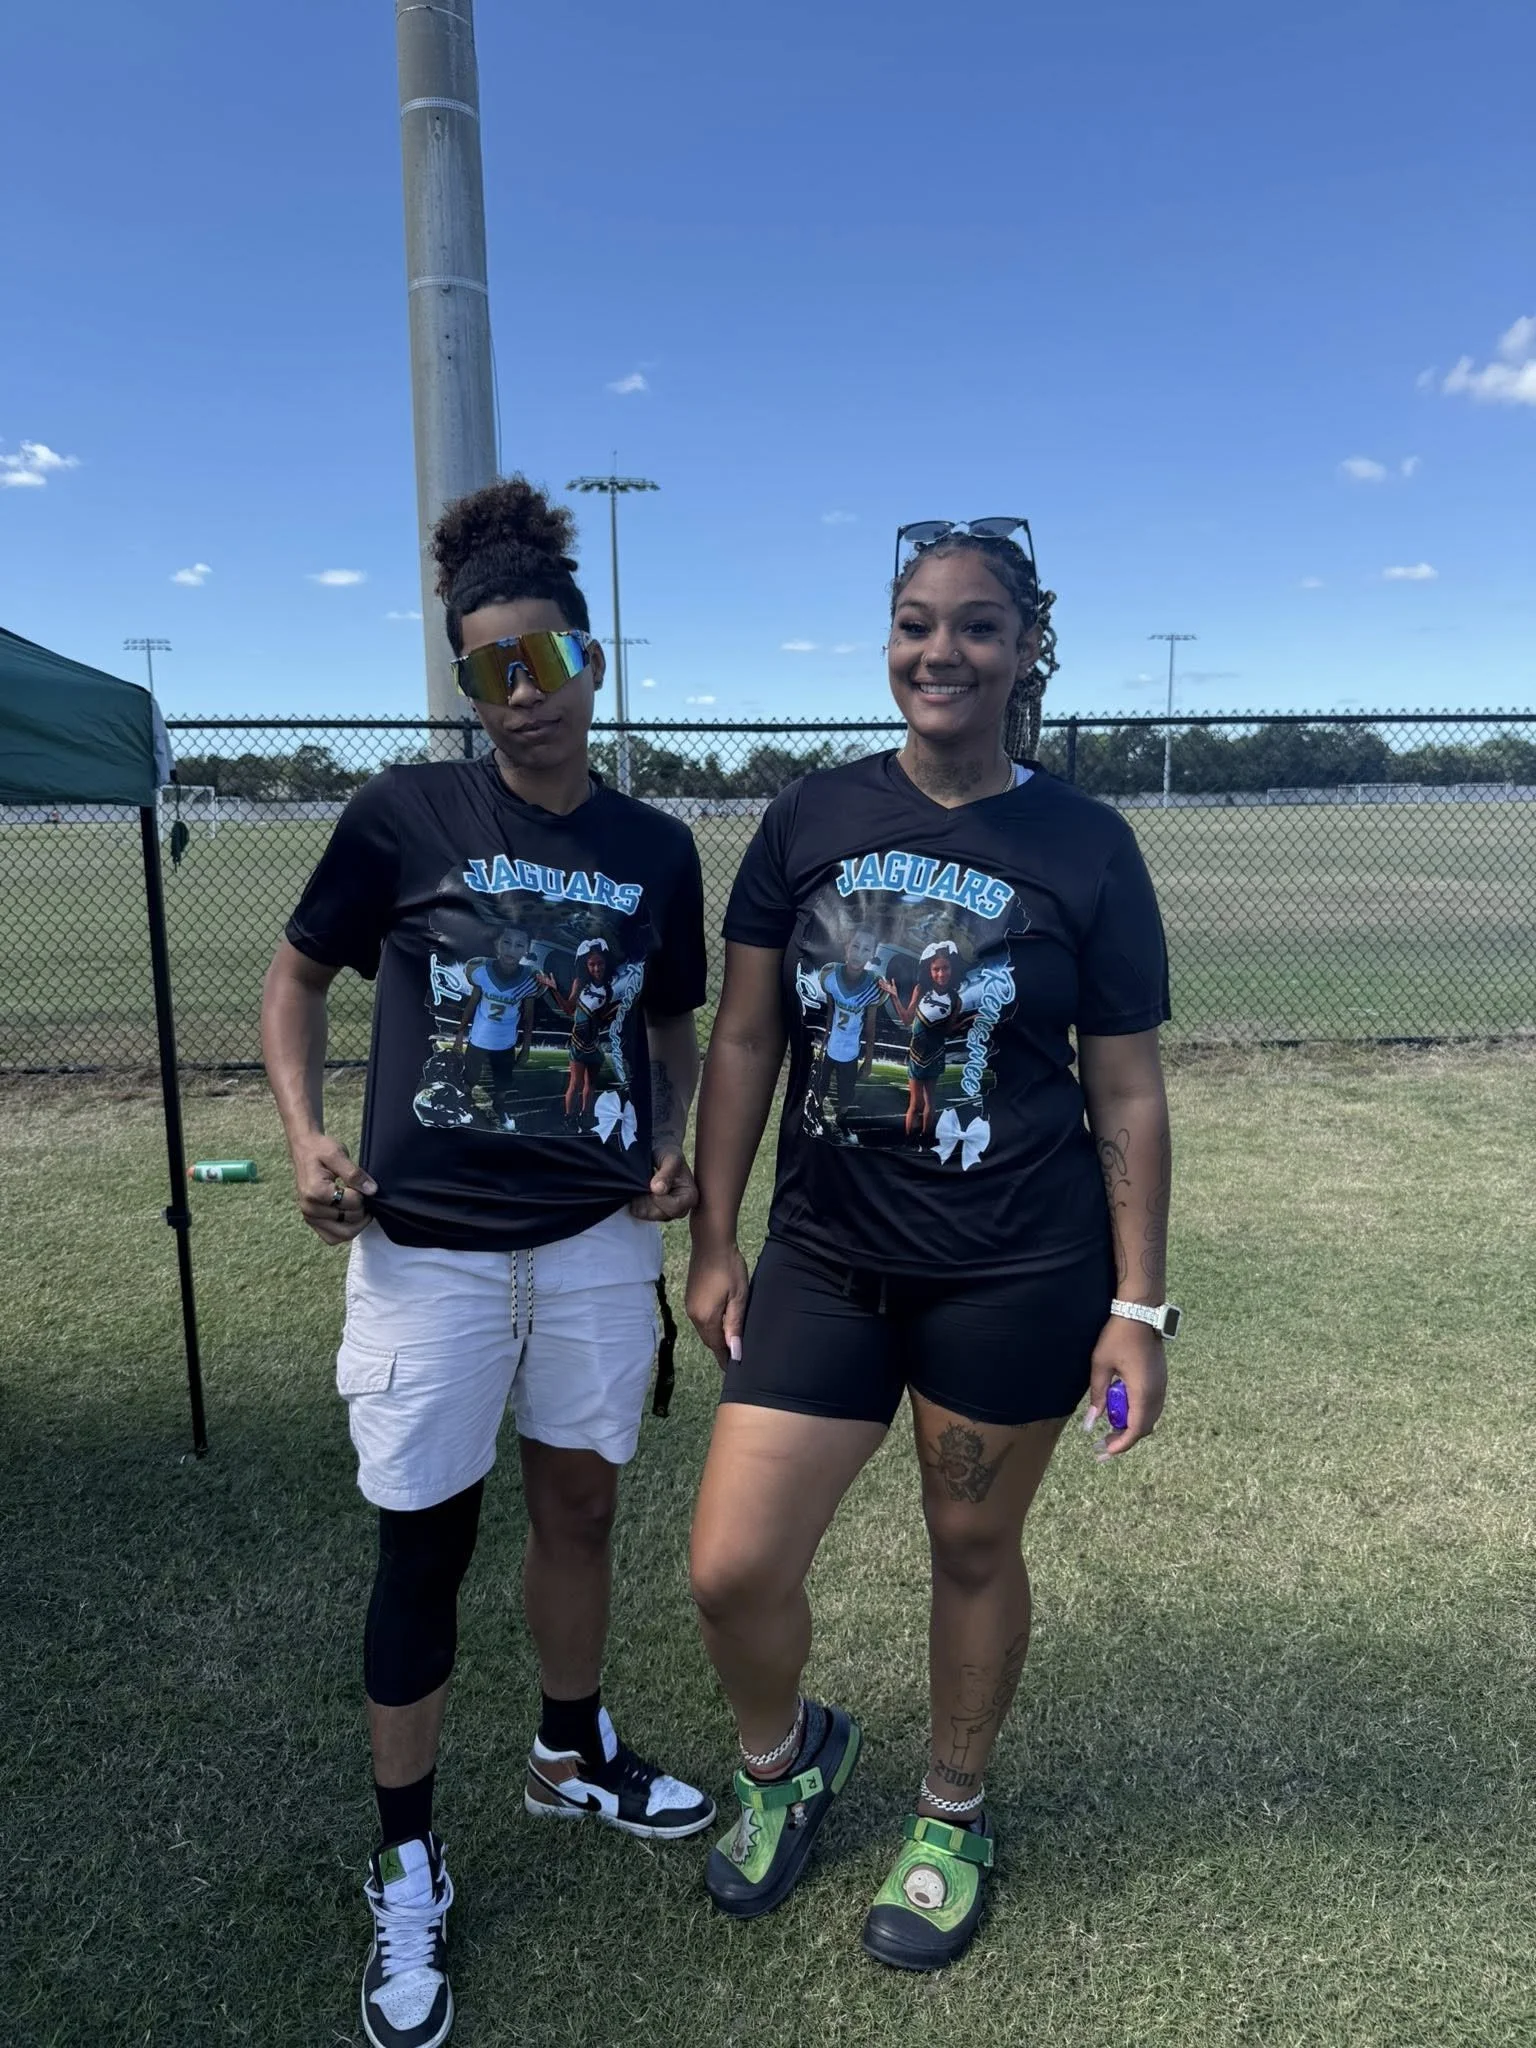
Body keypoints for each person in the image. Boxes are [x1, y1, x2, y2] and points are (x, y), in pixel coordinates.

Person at [685, 517, 1177, 1971]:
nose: (938, 651)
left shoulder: (1086, 843)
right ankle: (788, 1760)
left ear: (1026, 648)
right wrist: (717, 1239)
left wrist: (1140, 1305)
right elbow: (748, 1036)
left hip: (1017, 1266)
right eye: (914, 621)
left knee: (972, 1540)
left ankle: (951, 1811)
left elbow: (1128, 1084)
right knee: (730, 1569)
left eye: (974, 624)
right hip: (828, 1259)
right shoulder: (809, 817)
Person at [261, 476, 716, 2048]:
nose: (523, 699)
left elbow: (669, 1014)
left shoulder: (659, 846)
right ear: (464, 685)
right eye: (488, 672)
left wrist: (666, 1136)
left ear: (594, 657)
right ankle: (406, 1864)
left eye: (545, 661)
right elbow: (294, 976)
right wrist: (308, 1136)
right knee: (423, 1549)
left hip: (591, 1248)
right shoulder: (402, 816)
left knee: (582, 1504)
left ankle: (570, 1753)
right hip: (428, 1261)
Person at [880, 939, 972, 1142]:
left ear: (952, 968)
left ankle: (925, 1140)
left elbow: (948, 1031)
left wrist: (968, 1021)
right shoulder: (920, 989)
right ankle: (909, 1142)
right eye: (936, 969)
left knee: (931, 1101)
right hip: (916, 1053)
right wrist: (894, 996)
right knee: (915, 1102)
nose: (941, 974)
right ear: (929, 970)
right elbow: (906, 1019)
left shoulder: (956, 999)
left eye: (945, 968)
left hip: (936, 1054)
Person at [454, 924, 540, 1130]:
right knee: (470, 1078)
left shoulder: (529, 979)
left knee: (502, 1084)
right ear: (497, 944)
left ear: (526, 950)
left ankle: (499, 1107)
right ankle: (464, 1107)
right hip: (478, 1039)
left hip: (505, 1043)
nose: (511, 950)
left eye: (519, 945)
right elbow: (472, 1004)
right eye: (507, 942)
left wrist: (526, 1048)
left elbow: (529, 1018)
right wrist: (460, 1034)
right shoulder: (482, 972)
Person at [808, 926, 883, 1139]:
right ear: (846, 948)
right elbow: (830, 1014)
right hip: (831, 1048)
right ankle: (817, 1114)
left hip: (850, 1053)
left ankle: (842, 1120)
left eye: (866, 949)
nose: (859, 954)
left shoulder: (873, 986)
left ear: (872, 955)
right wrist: (822, 1045)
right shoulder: (830, 978)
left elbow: (870, 1028)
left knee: (845, 1093)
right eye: (855, 946)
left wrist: (868, 1061)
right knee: (821, 1087)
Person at [543, 936, 620, 1125]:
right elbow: (569, 1009)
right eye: (591, 964)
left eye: (600, 963)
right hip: (578, 1043)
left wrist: (612, 1012)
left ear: (606, 963)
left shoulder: (610, 988)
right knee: (575, 1083)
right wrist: (553, 989)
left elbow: (603, 1017)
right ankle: (569, 1118)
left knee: (590, 1084)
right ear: (585, 965)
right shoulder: (580, 984)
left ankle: (586, 1115)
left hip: (593, 1044)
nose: (596, 968)